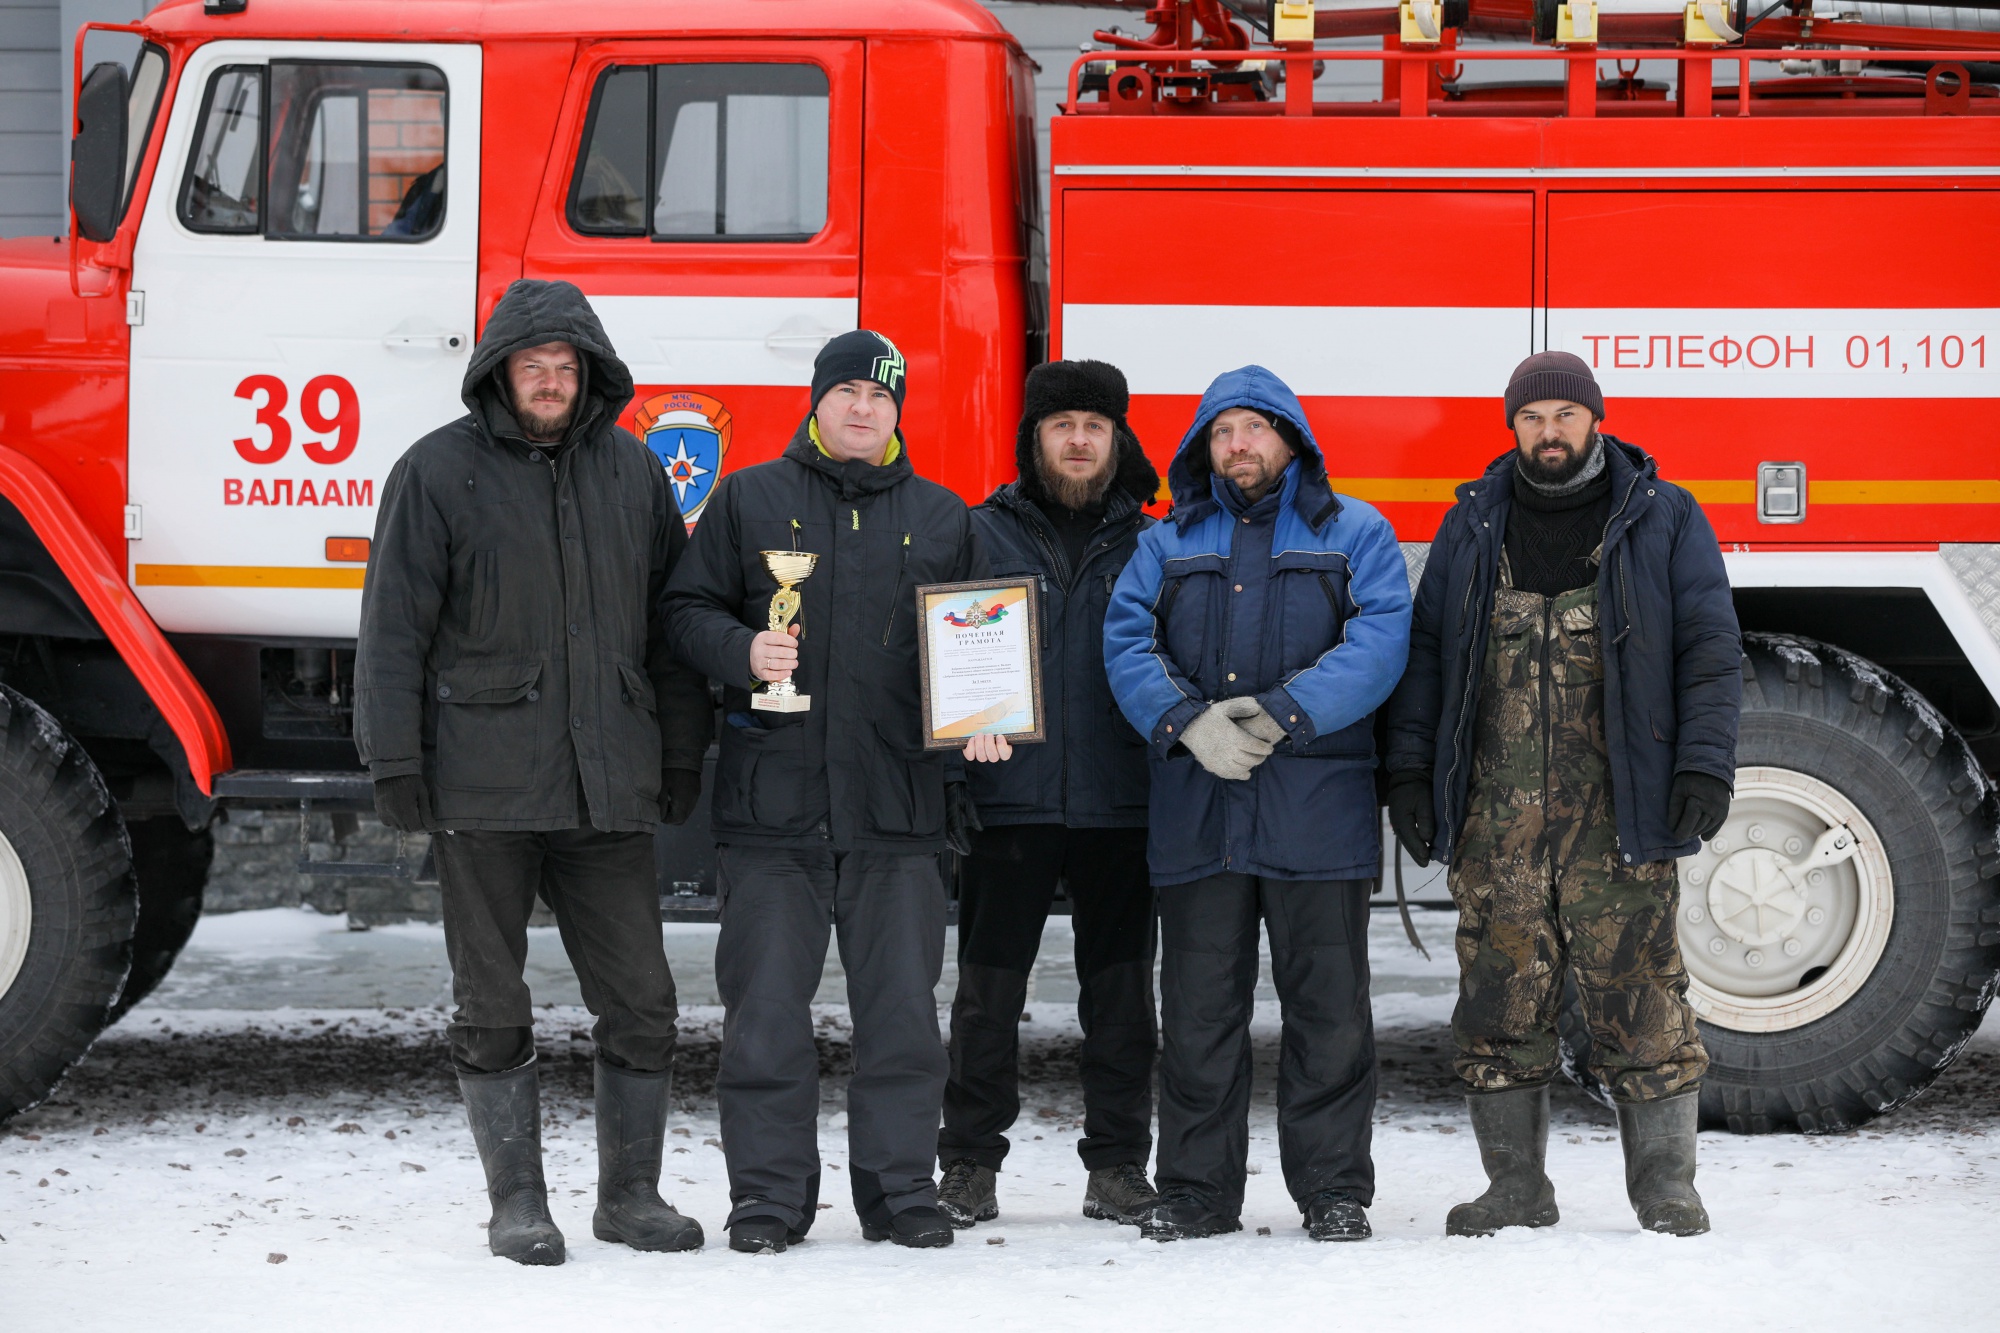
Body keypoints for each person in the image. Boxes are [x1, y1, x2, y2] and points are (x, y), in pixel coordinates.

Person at [355, 278, 714, 1265]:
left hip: (608, 789)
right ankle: (516, 1200)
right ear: (499, 373)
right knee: (491, 999)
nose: (550, 382)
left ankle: (629, 1196)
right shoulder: (434, 473)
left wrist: (680, 751)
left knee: (642, 998)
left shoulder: (634, 475)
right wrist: (394, 759)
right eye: (533, 366)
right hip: (484, 784)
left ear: (588, 376)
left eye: (565, 367)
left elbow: (668, 632)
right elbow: (392, 630)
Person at [1383, 351, 1741, 1239]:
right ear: (1513, 427)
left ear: (1595, 421)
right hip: (1495, 820)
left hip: (1619, 815)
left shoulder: (1661, 518)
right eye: (1534, 416)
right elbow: (1426, 659)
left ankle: (1666, 1187)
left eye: (1565, 416)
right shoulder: (1471, 525)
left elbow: (1709, 650)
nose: (1550, 431)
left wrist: (1704, 766)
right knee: (1498, 1000)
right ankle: (1516, 1188)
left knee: (1641, 996)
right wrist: (1408, 773)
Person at [663, 330, 985, 1254]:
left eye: (881, 397)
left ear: (897, 413)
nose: (863, 408)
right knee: (763, 1016)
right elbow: (685, 610)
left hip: (901, 811)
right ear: (817, 401)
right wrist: (741, 650)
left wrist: (986, 713)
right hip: (776, 812)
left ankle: (901, 1192)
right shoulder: (749, 498)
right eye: (847, 391)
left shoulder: (941, 514)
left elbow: (976, 642)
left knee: (904, 1021)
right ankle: (767, 1199)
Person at [1104, 365, 1411, 1243]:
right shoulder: (1167, 541)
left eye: (1255, 428)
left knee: (1329, 1013)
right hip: (1200, 812)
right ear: (1206, 448)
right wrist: (1184, 720)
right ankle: (1197, 1192)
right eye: (1222, 431)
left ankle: (1332, 1190)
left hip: (1317, 815)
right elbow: (1126, 639)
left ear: (1292, 438)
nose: (1239, 445)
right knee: (1199, 1010)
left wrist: (1283, 713)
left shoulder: (1356, 533)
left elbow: (1382, 639)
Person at [934, 360, 1163, 1231]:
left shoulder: (1154, 543)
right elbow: (944, 659)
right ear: (1034, 438)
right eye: (1061, 425)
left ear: (1117, 439)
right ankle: (967, 1165)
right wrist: (959, 752)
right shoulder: (978, 532)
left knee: (1121, 998)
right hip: (1011, 800)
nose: (1077, 440)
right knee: (987, 998)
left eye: (1094, 426)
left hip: (1123, 803)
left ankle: (1116, 1167)